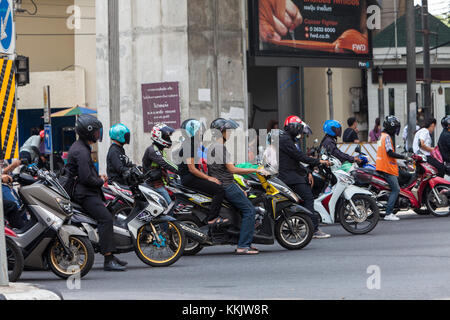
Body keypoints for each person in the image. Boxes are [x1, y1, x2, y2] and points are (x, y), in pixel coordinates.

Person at [67, 114, 127, 271]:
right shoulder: (81, 151)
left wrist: (98, 177)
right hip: (84, 194)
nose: (98, 135)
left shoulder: (81, 147)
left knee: (109, 212)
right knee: (106, 219)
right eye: (95, 132)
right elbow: (86, 178)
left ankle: (112, 254)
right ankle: (108, 259)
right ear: (88, 132)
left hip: (85, 190)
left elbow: (86, 173)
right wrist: (101, 181)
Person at [208, 118, 265, 255]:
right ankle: (243, 246)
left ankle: (242, 239)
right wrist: (256, 170)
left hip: (226, 184)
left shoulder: (214, 146)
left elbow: (225, 171)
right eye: (228, 131)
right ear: (221, 132)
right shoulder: (220, 148)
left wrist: (239, 188)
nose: (231, 133)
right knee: (250, 211)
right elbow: (232, 169)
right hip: (227, 185)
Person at [278, 115, 331, 239]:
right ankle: (313, 228)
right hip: (288, 176)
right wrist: (319, 162)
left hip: (290, 173)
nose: (301, 135)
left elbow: (295, 160)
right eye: (300, 131)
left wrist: (307, 172)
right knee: (308, 197)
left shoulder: (286, 139)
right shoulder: (286, 140)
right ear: (294, 128)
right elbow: (300, 157)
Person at [177, 119, 227, 226]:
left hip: (191, 177)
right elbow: (192, 169)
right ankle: (212, 218)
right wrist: (209, 178)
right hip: (190, 179)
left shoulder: (193, 145)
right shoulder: (188, 146)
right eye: (199, 131)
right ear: (192, 132)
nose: (201, 133)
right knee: (219, 190)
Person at [376, 116, 409, 221]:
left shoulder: (381, 136)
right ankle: (388, 213)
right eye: (396, 128)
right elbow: (390, 153)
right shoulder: (387, 138)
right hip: (387, 168)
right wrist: (404, 157)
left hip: (382, 166)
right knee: (396, 189)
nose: (396, 130)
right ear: (391, 127)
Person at [142, 123, 178, 205]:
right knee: (169, 205)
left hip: (160, 182)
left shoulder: (160, 149)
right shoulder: (153, 150)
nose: (168, 138)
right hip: (153, 184)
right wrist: (179, 170)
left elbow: (165, 165)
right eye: (166, 136)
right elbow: (165, 163)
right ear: (158, 136)